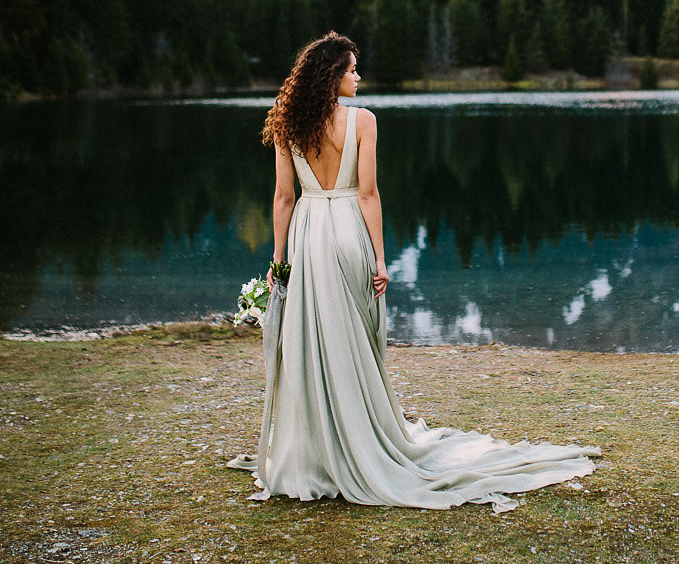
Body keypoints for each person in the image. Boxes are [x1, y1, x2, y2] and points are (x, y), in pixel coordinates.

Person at [228, 32, 598, 511]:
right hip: (346, 233)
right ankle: (359, 442)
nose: (358, 76)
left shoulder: (288, 125)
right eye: (352, 69)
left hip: (306, 234)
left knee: (312, 342)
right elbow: (367, 195)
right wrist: (381, 259)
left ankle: (315, 451)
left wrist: (279, 262)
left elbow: (283, 198)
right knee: (353, 339)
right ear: (332, 75)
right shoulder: (362, 121)